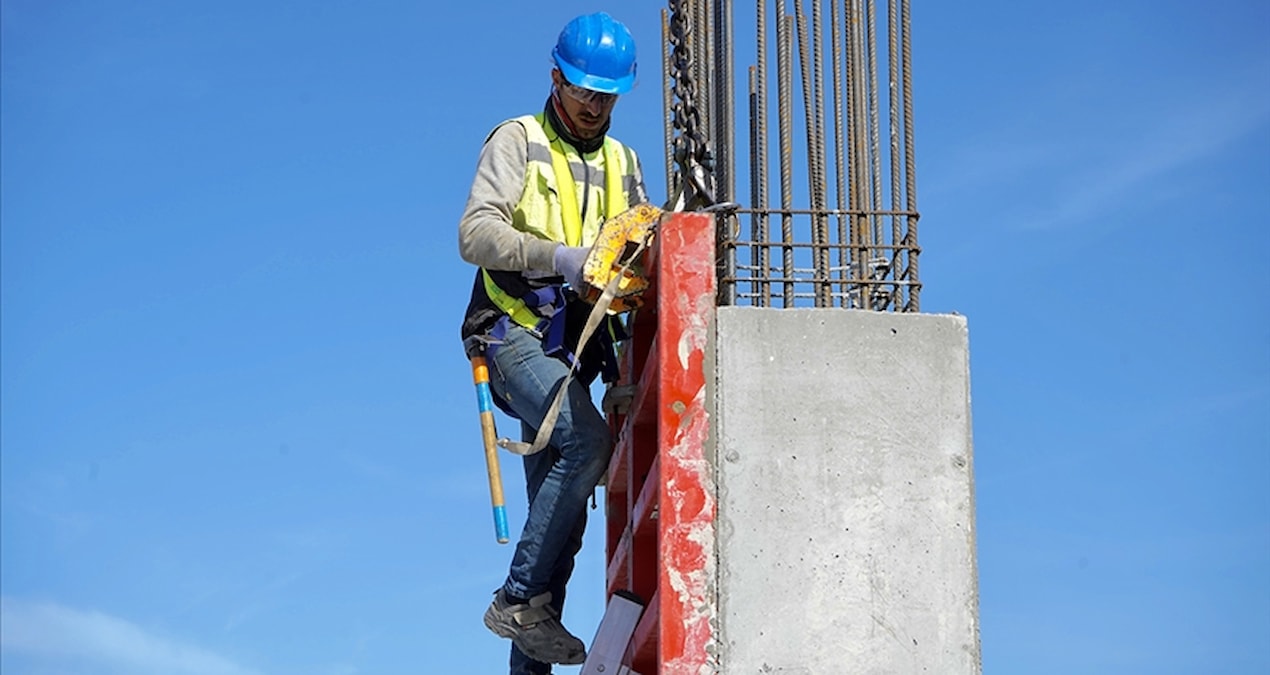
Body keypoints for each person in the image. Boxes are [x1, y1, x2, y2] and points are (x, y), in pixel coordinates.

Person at [456, 12, 648, 674]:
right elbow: (474, 235)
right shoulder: (519, 140)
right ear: (556, 78)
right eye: (583, 91)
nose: (594, 106)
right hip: (512, 333)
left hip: (576, 354)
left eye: (606, 95)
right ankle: (513, 598)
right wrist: (559, 258)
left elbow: (633, 273)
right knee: (585, 442)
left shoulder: (625, 164)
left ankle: (526, 612)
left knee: (559, 529)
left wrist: (625, 369)